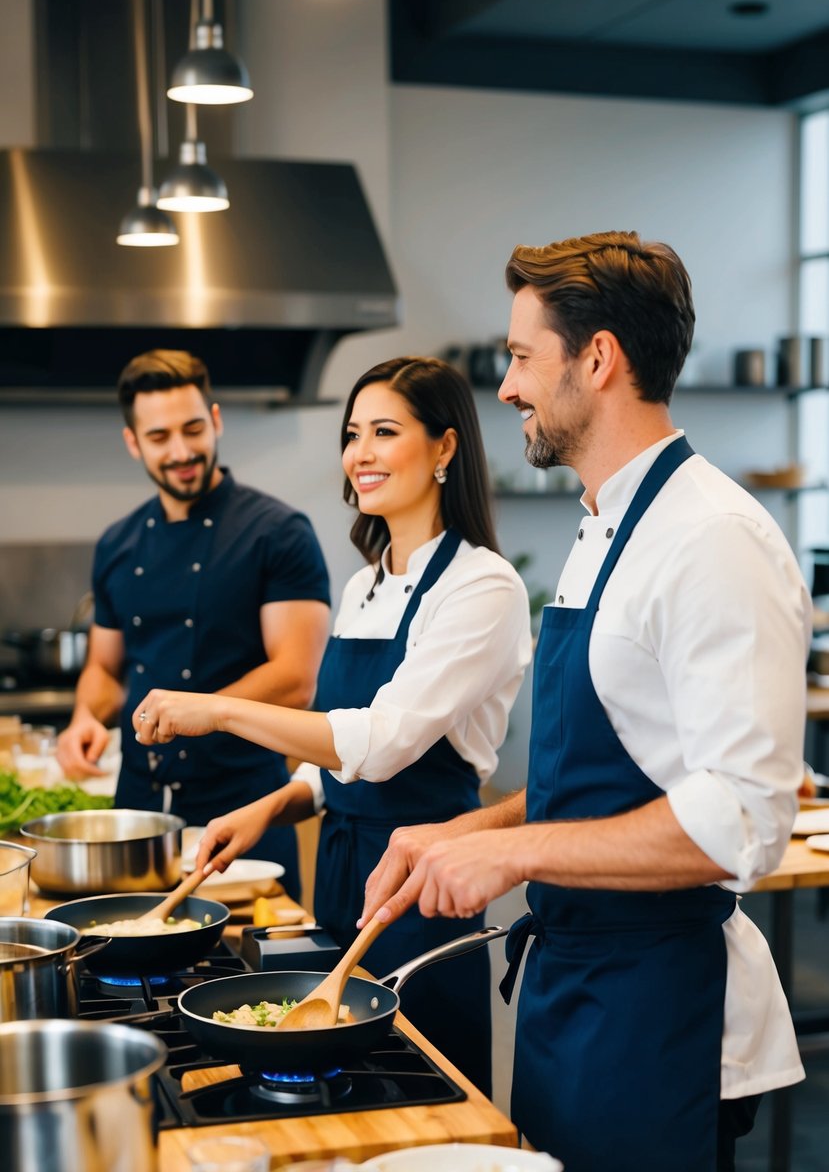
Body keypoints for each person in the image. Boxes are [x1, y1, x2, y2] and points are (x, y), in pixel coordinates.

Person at [356, 234, 811, 1172]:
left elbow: (740, 821)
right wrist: (463, 831)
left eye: (523, 357)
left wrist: (509, 852)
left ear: (597, 358)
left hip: (659, 1012)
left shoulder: (712, 539)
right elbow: (622, 777)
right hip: (572, 990)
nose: (509, 387)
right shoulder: (605, 525)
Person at [130, 356, 532, 1094]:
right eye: (353, 435)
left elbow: (378, 745)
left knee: (417, 1088)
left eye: (385, 431)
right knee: (335, 1082)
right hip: (343, 874)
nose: (361, 454)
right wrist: (274, 803)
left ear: (445, 447)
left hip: (424, 883)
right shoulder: (364, 584)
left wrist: (218, 710)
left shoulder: (483, 586)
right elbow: (335, 752)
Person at [56, 349, 330, 901]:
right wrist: (85, 715)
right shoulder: (118, 543)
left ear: (217, 420)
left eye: (193, 429)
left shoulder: (278, 533)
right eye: (159, 438)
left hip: (242, 807)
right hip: (137, 813)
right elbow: (106, 670)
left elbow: (297, 677)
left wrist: (196, 711)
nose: (181, 451)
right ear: (134, 442)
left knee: (247, 977)